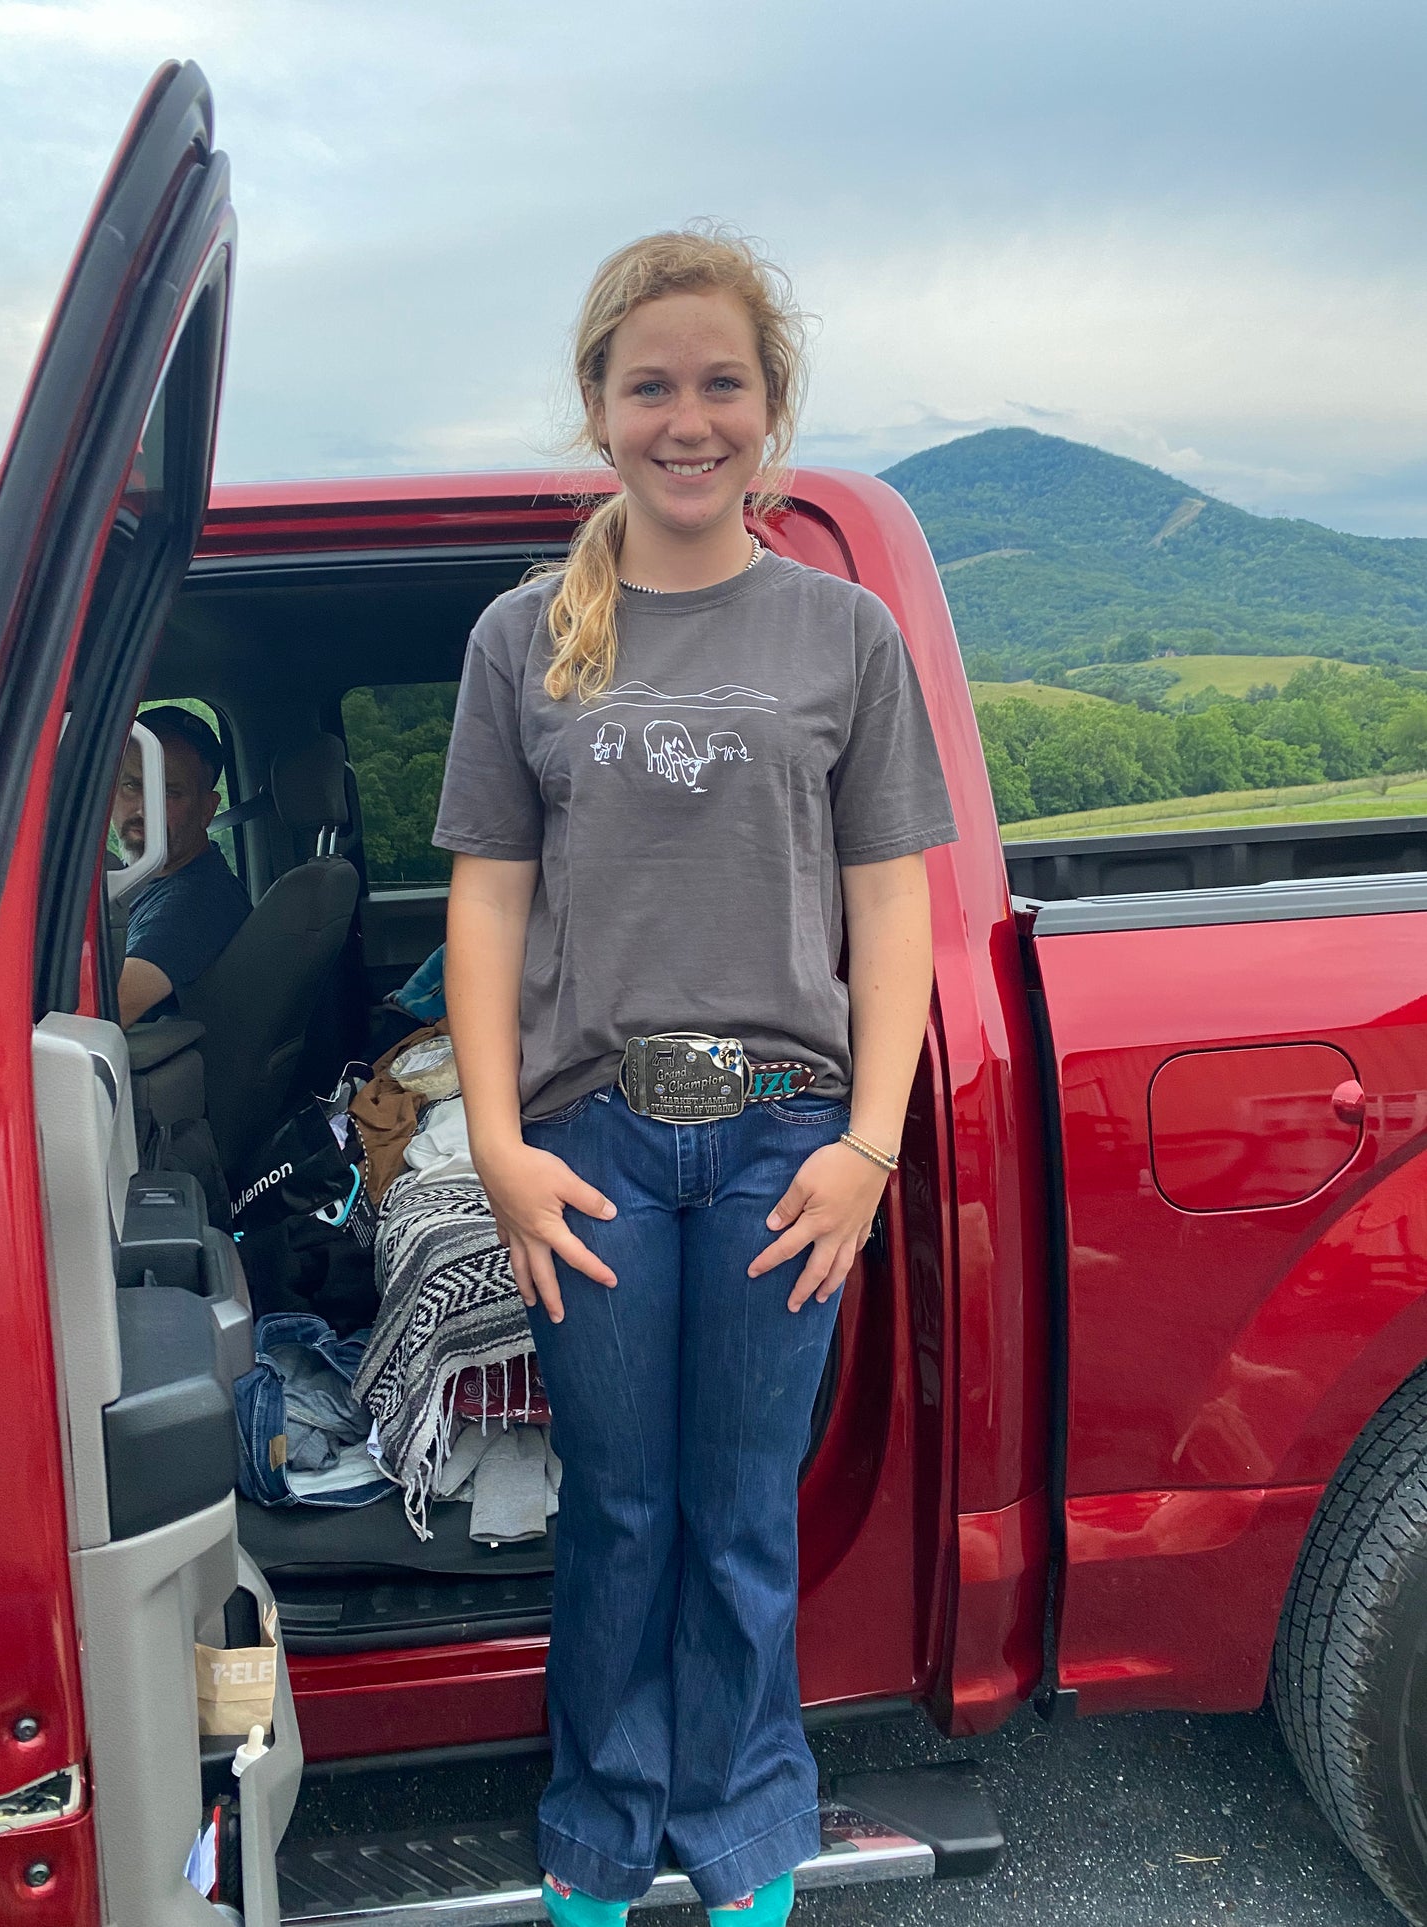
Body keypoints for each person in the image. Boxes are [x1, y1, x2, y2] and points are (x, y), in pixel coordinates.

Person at [434, 227, 956, 1927]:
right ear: (598, 408)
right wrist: (499, 1144)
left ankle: (742, 1831)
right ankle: (597, 1825)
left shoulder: (843, 635)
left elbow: (894, 908)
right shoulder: (525, 641)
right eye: (649, 382)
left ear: (770, 406)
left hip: (781, 1141)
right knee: (623, 1511)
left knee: (738, 1510)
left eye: (721, 381)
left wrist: (869, 1148)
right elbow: (488, 897)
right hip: (588, 1143)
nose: (687, 415)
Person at [112, 705, 251, 1027]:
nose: (143, 810)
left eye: (169, 792)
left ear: (207, 809)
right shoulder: (147, 882)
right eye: (132, 785)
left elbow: (109, 1009)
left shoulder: (200, 900)